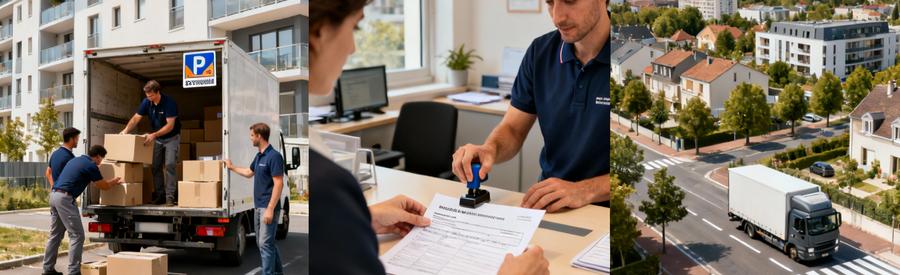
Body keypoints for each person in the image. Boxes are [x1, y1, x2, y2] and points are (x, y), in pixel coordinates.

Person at [309, 0, 549, 274]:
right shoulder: (327, 186)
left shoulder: (319, 174)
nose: (353, 47)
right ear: (320, 33)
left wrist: (363, 218)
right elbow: (514, 127)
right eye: (356, 25)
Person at [451, 0, 611, 212]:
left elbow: (649, 167)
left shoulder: (633, 58)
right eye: (550, 2)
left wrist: (584, 190)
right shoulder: (540, 52)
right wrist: (489, 149)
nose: (557, 17)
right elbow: (513, 129)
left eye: (570, 1)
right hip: (550, 204)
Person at [42, 145, 122, 275]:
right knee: (77, 235)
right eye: (101, 159)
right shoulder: (91, 165)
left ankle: (47, 269)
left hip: (54, 195)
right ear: (97, 156)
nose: (100, 163)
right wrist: (114, 181)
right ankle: (74, 272)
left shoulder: (75, 160)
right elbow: (103, 186)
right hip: (65, 199)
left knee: (55, 236)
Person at [225, 123, 285, 275]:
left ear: (259, 136)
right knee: (264, 243)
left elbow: (279, 183)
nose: (250, 138)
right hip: (258, 206)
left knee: (265, 244)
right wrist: (232, 167)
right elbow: (248, 172)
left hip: (267, 207)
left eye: (252, 135)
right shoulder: (259, 156)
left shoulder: (274, 156)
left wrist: (270, 208)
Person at [120, 80, 181, 206]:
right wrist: (125, 130)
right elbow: (136, 117)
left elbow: (170, 126)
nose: (150, 98)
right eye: (147, 96)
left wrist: (153, 134)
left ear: (158, 92)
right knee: (155, 167)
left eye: (151, 95)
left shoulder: (169, 103)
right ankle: (160, 195)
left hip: (171, 138)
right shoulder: (147, 102)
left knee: (169, 165)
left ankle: (170, 197)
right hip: (157, 139)